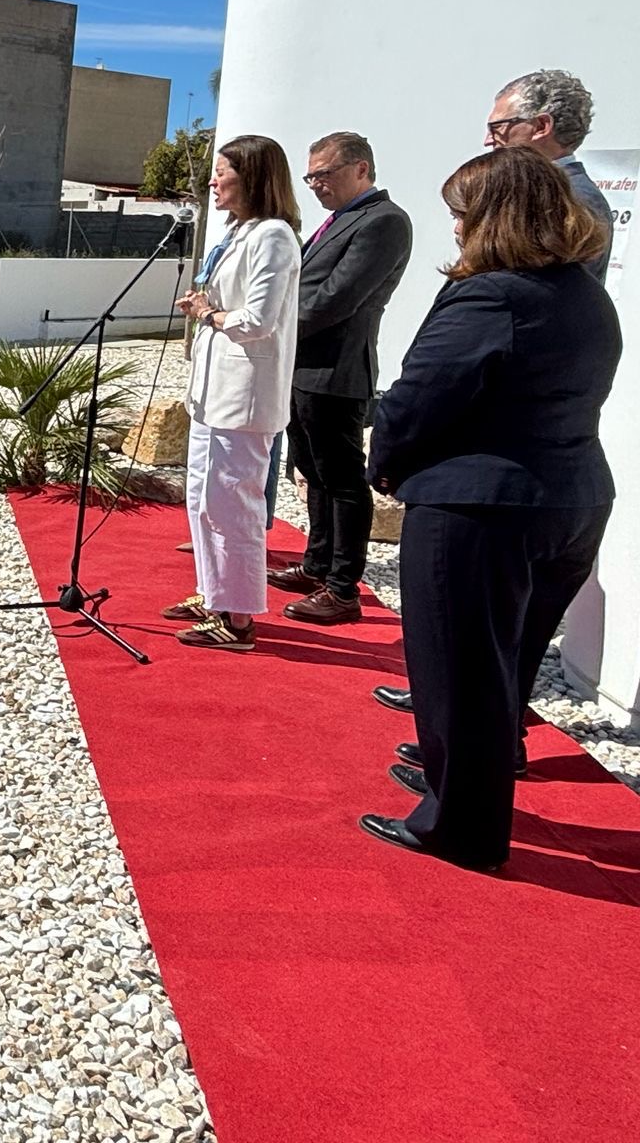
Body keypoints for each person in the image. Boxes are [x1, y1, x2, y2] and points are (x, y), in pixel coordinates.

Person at [359, 148, 619, 869]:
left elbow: (420, 397)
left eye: (461, 214)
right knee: (508, 658)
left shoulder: (491, 295)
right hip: (572, 499)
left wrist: (386, 466)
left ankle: (460, 825)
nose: (455, 228)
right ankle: (483, 768)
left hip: (482, 506)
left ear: (493, 217)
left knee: (458, 666)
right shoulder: (584, 292)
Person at [271, 131, 415, 625]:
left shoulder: (384, 221)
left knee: (342, 479)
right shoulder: (341, 218)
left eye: (323, 174)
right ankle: (317, 564)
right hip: (303, 365)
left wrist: (269, 328)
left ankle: (342, 587)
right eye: (310, 176)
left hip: (336, 368)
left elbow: (337, 298)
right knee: (313, 472)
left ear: (360, 169)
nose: (314, 185)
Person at [166, 135, 303, 651]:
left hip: (244, 396)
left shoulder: (273, 235)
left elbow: (258, 319)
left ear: (251, 178)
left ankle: (240, 619)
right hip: (213, 393)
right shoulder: (239, 231)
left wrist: (209, 313)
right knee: (203, 500)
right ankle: (213, 592)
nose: (212, 182)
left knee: (234, 506)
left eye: (221, 172)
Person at [484, 68, 613, 282]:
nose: (488, 141)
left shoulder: (573, 199)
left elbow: (547, 293)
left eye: (497, 127)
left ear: (541, 126)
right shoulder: (542, 190)